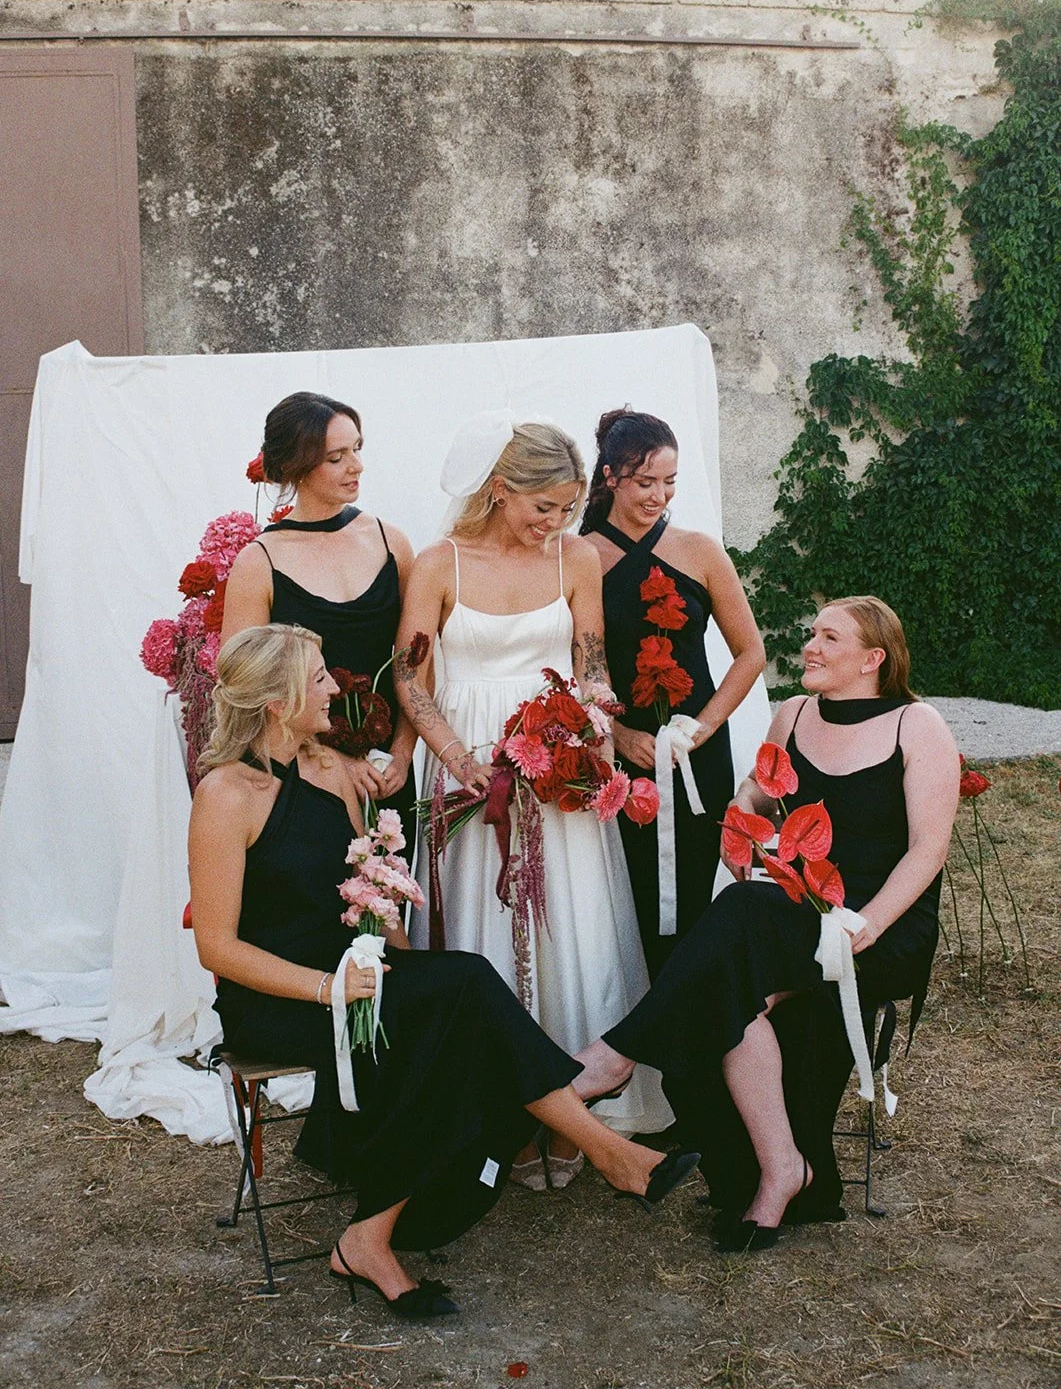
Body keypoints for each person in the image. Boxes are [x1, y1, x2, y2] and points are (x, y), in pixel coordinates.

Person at [189, 624, 698, 1316]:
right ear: (276, 701)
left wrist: (398, 964)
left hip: (359, 976)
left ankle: (371, 1238)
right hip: (281, 997)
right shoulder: (227, 794)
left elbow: (371, 880)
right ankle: (609, 1153)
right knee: (461, 987)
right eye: (316, 679)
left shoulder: (334, 770)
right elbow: (216, 947)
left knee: (453, 996)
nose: (335, 687)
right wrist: (326, 988)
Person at [571, 596, 960, 1249]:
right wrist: (739, 810)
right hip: (797, 908)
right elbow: (759, 786)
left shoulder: (916, 727)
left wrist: (866, 923)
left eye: (827, 638)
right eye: (812, 634)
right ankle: (783, 1169)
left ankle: (612, 1058)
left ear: (872, 658)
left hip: (880, 926)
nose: (809, 646)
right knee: (730, 982)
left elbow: (928, 849)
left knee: (739, 918)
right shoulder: (793, 713)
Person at [395, 414, 672, 1190]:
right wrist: (458, 761)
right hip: (471, 767)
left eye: (565, 507)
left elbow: (590, 669)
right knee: (487, 930)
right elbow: (410, 676)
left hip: (558, 768)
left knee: (570, 927)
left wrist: (588, 731)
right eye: (541, 507)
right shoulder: (438, 562)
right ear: (497, 490)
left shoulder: (575, 557)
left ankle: (576, 1109)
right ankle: (501, 1111)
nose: (555, 523)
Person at [580, 409, 766, 976]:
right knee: (624, 894)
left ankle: (690, 1034)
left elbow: (750, 652)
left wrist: (701, 728)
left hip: (697, 749)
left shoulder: (701, 550)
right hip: (618, 751)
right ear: (610, 476)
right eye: (645, 482)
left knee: (688, 893)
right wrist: (616, 732)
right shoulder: (578, 554)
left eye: (670, 481)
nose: (659, 495)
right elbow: (574, 662)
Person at [221, 391, 417, 822]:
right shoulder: (259, 563)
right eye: (336, 457)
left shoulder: (392, 543)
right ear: (297, 466)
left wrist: (402, 755)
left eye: (358, 449)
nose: (356, 466)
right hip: (299, 783)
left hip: (388, 779)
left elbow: (416, 663)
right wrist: (332, 764)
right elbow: (245, 694)